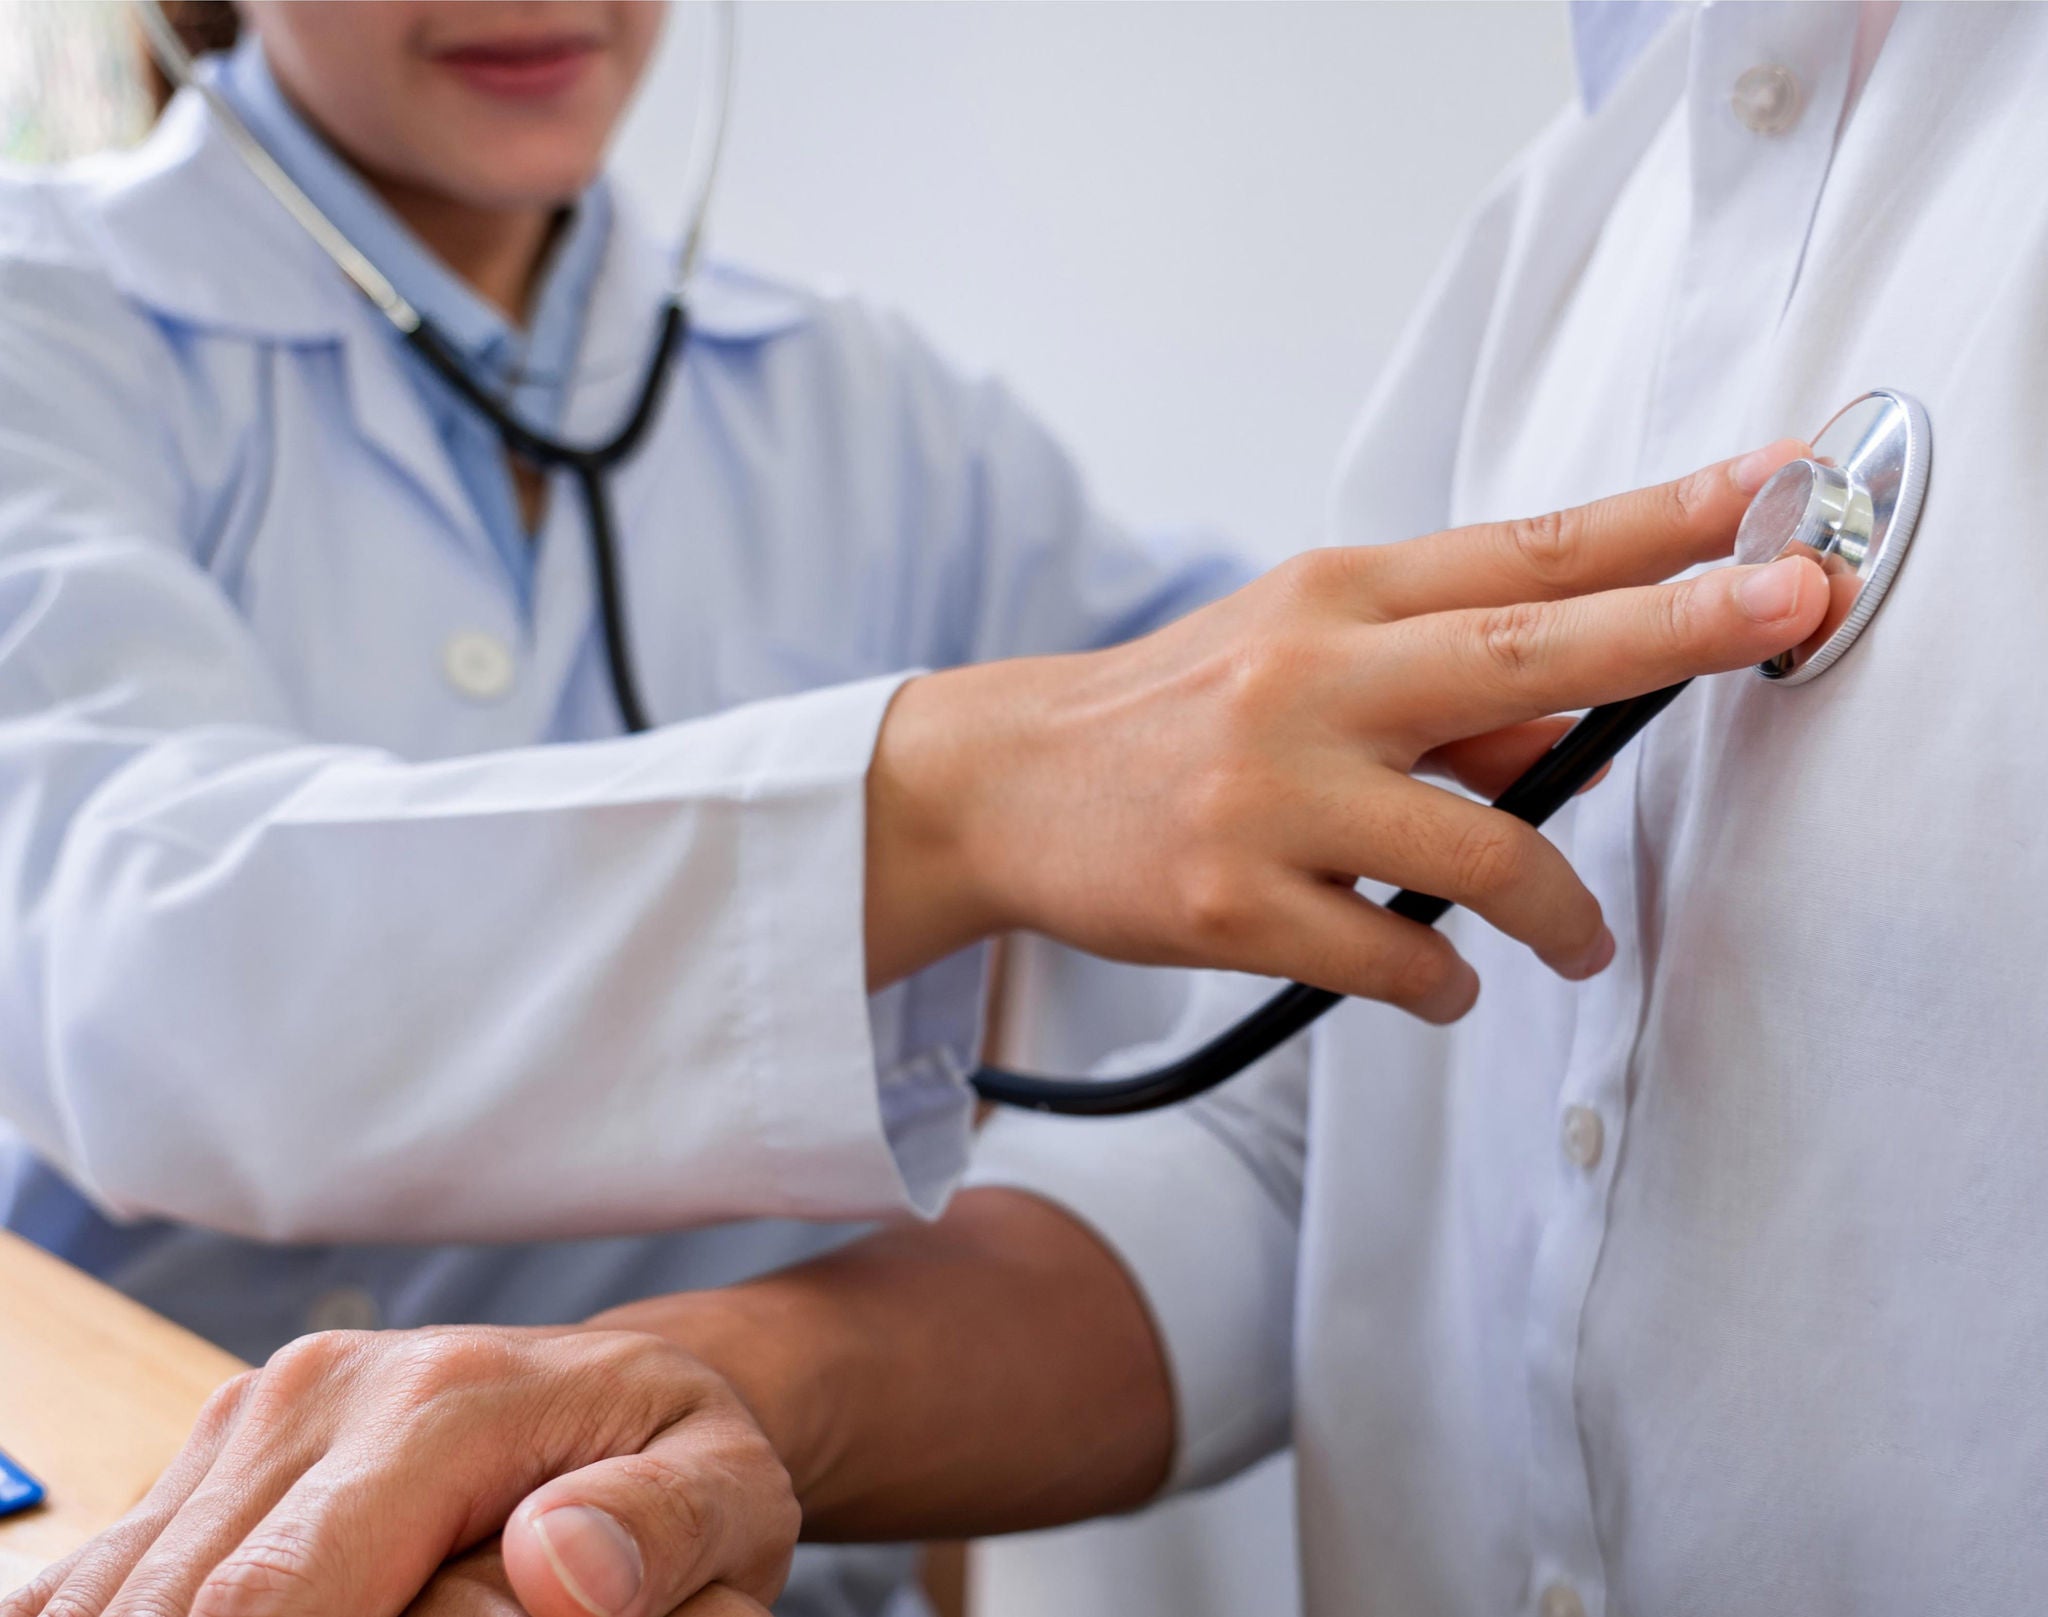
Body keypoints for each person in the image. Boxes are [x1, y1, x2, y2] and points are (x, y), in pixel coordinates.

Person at [18, 3, 2044, 1616]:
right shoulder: (50, 313)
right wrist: (952, 796)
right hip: (140, 1478)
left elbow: (1298, 927)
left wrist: (732, 1381)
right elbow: (127, 946)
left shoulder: (863, 402)